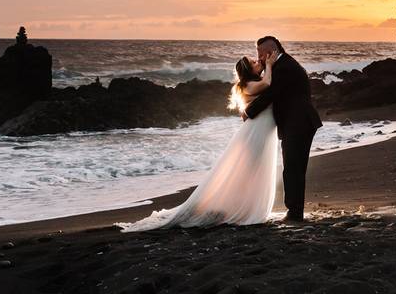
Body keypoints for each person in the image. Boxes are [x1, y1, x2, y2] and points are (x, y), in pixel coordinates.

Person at [118, 50, 280, 231]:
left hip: (262, 128)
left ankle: (245, 205)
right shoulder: (248, 85)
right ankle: (242, 207)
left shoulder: (252, 82)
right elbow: (268, 83)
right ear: (248, 70)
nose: (258, 61)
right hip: (255, 131)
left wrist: (267, 67)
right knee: (252, 170)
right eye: (254, 62)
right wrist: (270, 65)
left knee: (257, 170)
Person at [242, 36, 323, 223]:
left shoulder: (284, 68)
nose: (259, 57)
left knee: (293, 169)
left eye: (260, 53)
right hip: (298, 122)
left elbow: (270, 95)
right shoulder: (284, 64)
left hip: (298, 123)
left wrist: (249, 111)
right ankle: (295, 211)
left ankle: (294, 213)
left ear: (269, 52)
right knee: (294, 168)